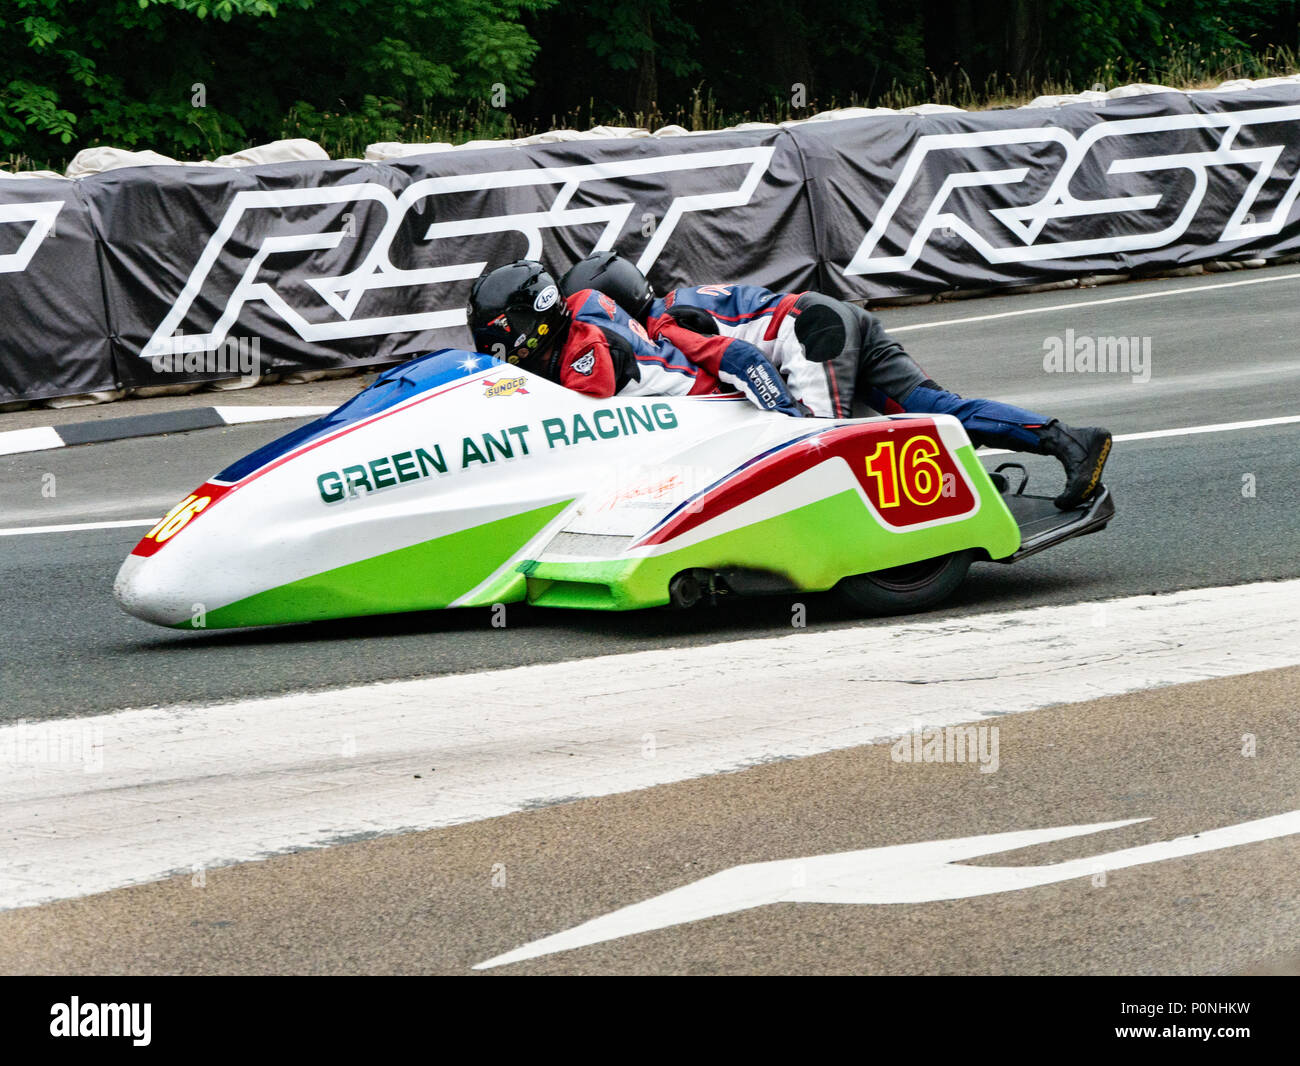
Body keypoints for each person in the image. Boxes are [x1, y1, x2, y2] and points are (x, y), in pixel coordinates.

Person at [558, 251, 1112, 510]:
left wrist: (790, 423)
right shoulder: (680, 301)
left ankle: (947, 502)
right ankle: (1068, 440)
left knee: (821, 452)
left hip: (812, 334)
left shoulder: (666, 323)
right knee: (932, 413)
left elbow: (749, 362)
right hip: (832, 317)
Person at [466, 259, 805, 417]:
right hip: (683, 408)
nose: (492, 340)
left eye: (498, 328)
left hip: (707, 412)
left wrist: (789, 423)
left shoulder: (588, 350)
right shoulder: (580, 308)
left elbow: (563, 419)